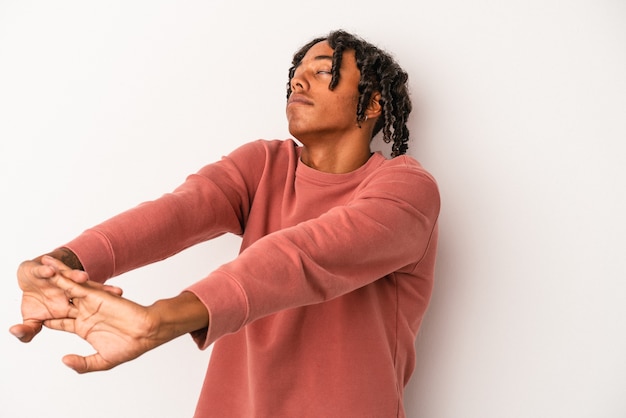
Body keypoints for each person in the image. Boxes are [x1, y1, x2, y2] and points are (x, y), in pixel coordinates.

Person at [10, 29, 440, 417]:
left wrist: (159, 320)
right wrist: (58, 265)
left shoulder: (406, 191)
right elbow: (177, 213)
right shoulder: (263, 164)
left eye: (323, 69)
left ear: (373, 101)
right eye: (296, 72)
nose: (297, 81)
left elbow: (304, 255)